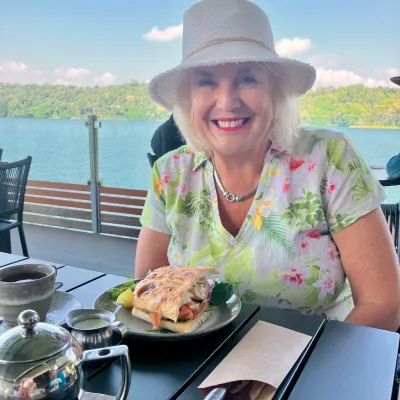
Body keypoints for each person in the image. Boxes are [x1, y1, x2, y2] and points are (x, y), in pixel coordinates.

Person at [136, 0, 400, 331]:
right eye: (206, 82)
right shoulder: (169, 174)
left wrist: (288, 374)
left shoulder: (329, 157)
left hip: (317, 366)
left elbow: (384, 306)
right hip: (195, 368)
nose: (228, 101)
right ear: (188, 98)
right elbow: (148, 292)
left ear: (274, 91)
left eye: (247, 78)